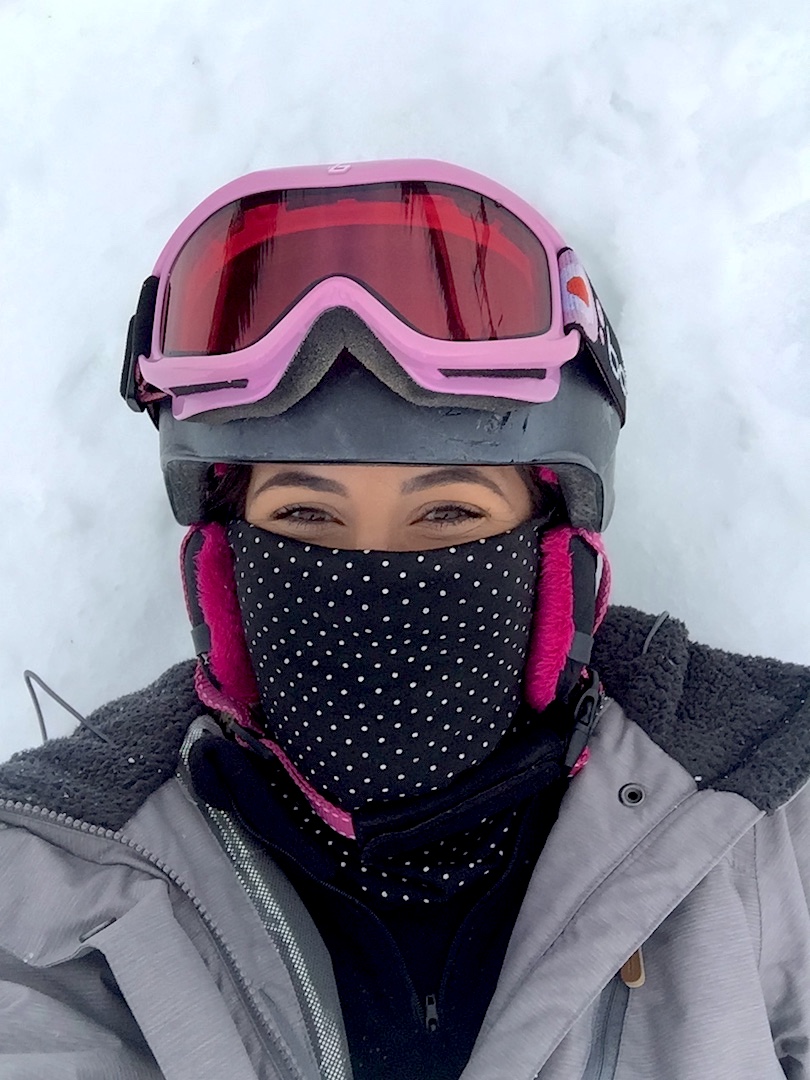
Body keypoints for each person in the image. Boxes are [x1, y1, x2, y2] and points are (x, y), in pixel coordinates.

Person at [0, 159, 808, 1080]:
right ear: (223, 568)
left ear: (558, 560)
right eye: (306, 516)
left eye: (450, 514)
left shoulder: (762, 820)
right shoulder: (56, 893)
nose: (375, 569)